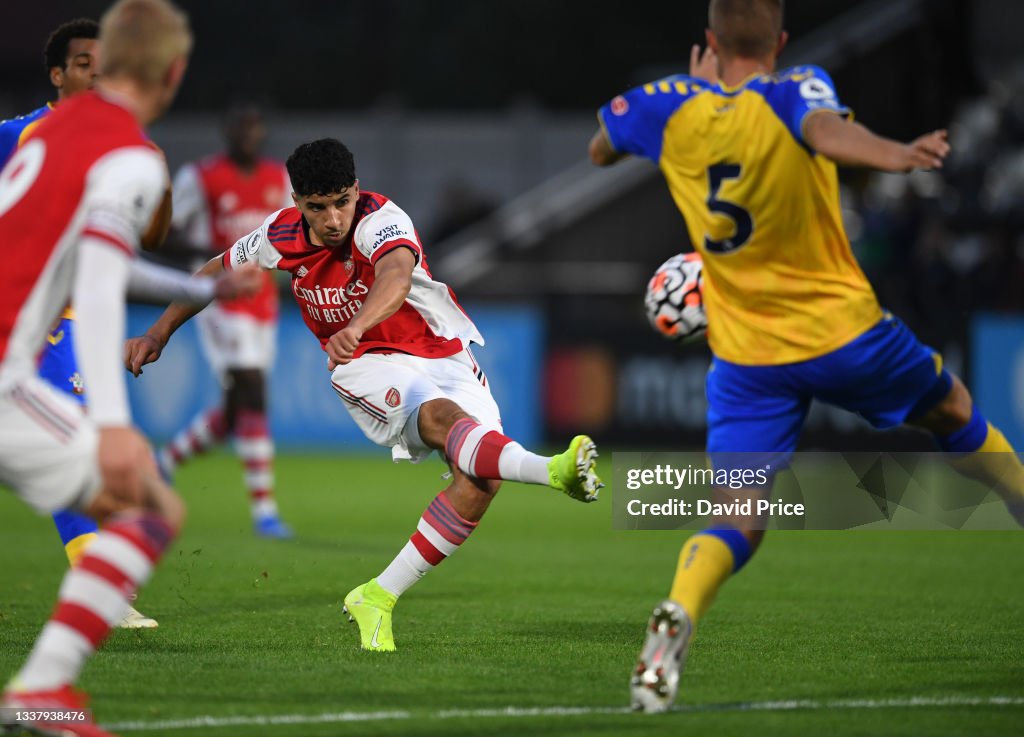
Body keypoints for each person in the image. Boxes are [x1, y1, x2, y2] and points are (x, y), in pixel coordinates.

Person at [589, 0, 1024, 713]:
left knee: (739, 513)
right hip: (840, 333)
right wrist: (897, 154)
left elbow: (600, 146)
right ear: (780, 43)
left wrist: (683, 96)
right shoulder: (794, 89)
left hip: (746, 355)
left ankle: (678, 612)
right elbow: (823, 129)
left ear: (709, 42)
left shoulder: (667, 106)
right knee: (953, 409)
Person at [125, 137, 604, 653]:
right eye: (318, 207)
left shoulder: (382, 219)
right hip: (364, 363)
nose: (333, 218)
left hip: (442, 353)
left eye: (341, 201)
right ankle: (554, 471)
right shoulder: (279, 233)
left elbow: (395, 276)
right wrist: (159, 332)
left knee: (479, 482)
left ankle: (376, 596)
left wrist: (355, 321)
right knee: (443, 419)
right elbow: (217, 269)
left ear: (356, 190)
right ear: (297, 203)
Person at [0, 1, 193, 733]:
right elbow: (106, 284)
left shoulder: (47, 132)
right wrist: (112, 422)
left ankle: (41, 694)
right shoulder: (127, 153)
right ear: (173, 72)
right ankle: (39, 691)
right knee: (150, 503)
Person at [159, 104, 294, 538]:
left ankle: (166, 460)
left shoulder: (280, 179)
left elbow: (295, 234)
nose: (248, 134)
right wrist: (206, 257)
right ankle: (265, 510)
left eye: (254, 127)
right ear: (228, 131)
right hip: (220, 301)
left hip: (263, 302)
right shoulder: (201, 177)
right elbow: (166, 232)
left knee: (238, 407)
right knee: (253, 388)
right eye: (240, 126)